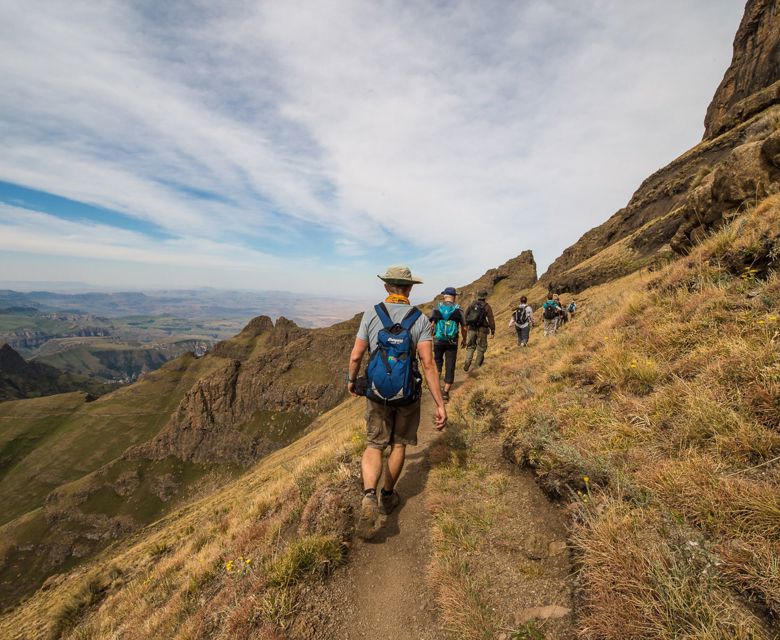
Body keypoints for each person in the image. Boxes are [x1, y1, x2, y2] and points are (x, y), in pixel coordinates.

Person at [348, 265, 447, 540]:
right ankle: (387, 497)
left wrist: (351, 380)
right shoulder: (421, 320)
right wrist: (439, 403)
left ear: (386, 287)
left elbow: (356, 355)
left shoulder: (371, 314)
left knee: (373, 445)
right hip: (406, 395)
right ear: (410, 289)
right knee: (398, 444)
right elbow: (428, 364)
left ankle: (368, 495)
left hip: (377, 393)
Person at [429, 286, 467, 402]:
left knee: (438, 363)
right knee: (450, 365)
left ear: (444, 296)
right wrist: (464, 339)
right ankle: (445, 393)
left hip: (438, 341)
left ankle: (435, 388)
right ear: (454, 297)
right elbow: (464, 327)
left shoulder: (437, 308)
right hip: (452, 341)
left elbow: (431, 325)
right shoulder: (459, 309)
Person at [463, 289, 495, 371]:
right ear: (485, 297)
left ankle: (467, 361)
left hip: (471, 329)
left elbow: (465, 315)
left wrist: (466, 325)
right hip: (482, 330)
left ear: (478, 296)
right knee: (481, 348)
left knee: (470, 347)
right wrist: (492, 330)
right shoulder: (487, 306)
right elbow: (491, 319)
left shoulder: (472, 305)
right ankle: (476, 367)